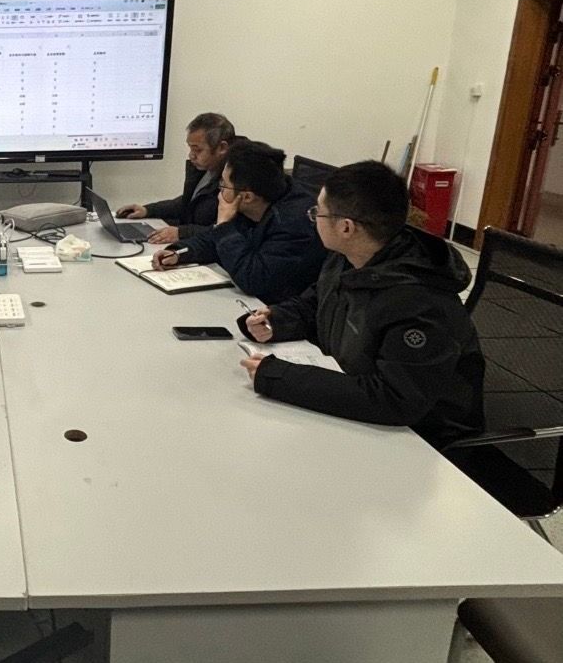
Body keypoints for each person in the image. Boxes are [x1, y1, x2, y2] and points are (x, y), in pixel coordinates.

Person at [237, 161, 484, 448]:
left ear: (346, 227)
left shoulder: (420, 302)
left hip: (423, 442)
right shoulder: (348, 258)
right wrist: (275, 321)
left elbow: (394, 399)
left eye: (318, 212)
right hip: (360, 418)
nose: (313, 218)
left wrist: (280, 377)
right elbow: (316, 304)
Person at [152, 140, 326, 303]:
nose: (219, 191)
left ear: (247, 197)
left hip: (273, 309)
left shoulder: (294, 224)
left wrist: (224, 226)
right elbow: (213, 238)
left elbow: (254, 280)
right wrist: (178, 253)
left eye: (223, 184)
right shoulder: (260, 197)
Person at [116, 113, 238, 244]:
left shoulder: (238, 178)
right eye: (190, 148)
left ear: (222, 148)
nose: (191, 155)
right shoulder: (206, 169)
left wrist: (181, 233)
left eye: (198, 150)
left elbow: (229, 230)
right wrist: (147, 210)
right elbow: (188, 203)